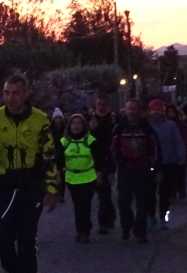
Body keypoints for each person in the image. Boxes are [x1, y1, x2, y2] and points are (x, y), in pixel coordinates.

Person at [0, 73, 59, 273]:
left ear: (25, 94)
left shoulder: (40, 119)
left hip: (30, 185)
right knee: (1, 237)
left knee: (27, 238)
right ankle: (12, 270)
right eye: (6, 93)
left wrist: (52, 189)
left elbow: (49, 155)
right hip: (3, 186)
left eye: (15, 93)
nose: (10, 98)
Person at [111, 99, 160, 243]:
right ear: (125, 110)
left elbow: (155, 149)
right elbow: (113, 148)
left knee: (142, 201)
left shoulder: (147, 128)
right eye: (129, 109)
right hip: (125, 168)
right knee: (123, 201)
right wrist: (114, 165)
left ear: (139, 111)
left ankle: (140, 230)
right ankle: (126, 226)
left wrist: (156, 168)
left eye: (134, 109)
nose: (131, 112)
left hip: (142, 169)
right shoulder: (119, 127)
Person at [57, 114, 100, 243]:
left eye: (79, 124)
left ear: (84, 126)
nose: (76, 126)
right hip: (72, 178)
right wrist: (59, 174)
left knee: (84, 204)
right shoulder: (64, 142)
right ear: (69, 126)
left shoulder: (90, 140)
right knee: (77, 205)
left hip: (88, 177)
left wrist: (100, 175)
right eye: (73, 123)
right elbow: (59, 160)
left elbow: (98, 159)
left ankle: (85, 230)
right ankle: (79, 229)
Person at [147, 99, 186, 230]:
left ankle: (163, 218)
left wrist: (180, 158)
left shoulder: (170, 125)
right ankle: (151, 217)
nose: (155, 112)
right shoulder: (146, 125)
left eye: (158, 109)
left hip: (167, 163)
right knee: (149, 193)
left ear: (162, 110)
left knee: (164, 193)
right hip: (150, 164)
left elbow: (177, 142)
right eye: (153, 109)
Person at [88, 94, 117, 234]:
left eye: (103, 104)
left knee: (104, 191)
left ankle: (104, 222)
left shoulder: (113, 121)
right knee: (102, 192)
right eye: (98, 104)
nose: (101, 107)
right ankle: (109, 217)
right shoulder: (90, 121)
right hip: (93, 159)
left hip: (108, 158)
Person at [165, 103, 187, 199]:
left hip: (181, 150)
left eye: (172, 111)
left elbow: (185, 136)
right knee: (172, 174)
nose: (171, 114)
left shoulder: (181, 123)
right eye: (169, 112)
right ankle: (173, 191)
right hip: (170, 152)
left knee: (181, 172)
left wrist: (185, 148)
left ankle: (181, 189)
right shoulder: (165, 124)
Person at [51, 108, 66, 202]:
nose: (58, 120)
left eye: (59, 118)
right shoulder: (51, 129)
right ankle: (54, 192)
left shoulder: (65, 129)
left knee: (62, 174)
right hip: (53, 153)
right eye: (56, 118)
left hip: (63, 154)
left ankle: (61, 194)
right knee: (54, 173)